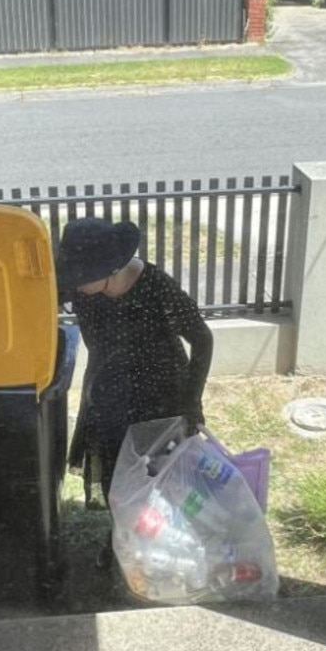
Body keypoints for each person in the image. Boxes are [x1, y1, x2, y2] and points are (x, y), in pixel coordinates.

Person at [56, 217, 214, 516]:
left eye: (80, 279)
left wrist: (191, 400)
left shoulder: (157, 288)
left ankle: (160, 538)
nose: (74, 286)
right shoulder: (82, 286)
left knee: (161, 474)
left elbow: (202, 339)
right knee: (116, 474)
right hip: (110, 393)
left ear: (111, 271)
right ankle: (122, 537)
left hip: (161, 397)